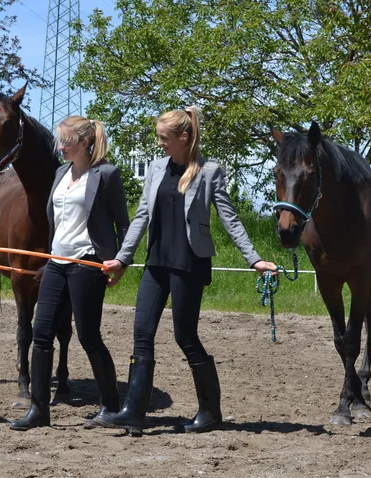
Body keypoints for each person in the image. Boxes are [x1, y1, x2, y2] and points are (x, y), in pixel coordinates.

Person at [99, 106, 277, 435]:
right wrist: (122, 259)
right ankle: (133, 412)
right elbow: (141, 216)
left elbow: (230, 219)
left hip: (189, 265)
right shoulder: (154, 168)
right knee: (141, 334)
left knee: (185, 336)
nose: (160, 144)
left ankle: (209, 411)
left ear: (184, 137)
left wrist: (255, 259)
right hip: (156, 263)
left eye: (164, 138)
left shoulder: (209, 172)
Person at [10, 116, 130, 430]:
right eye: (60, 141)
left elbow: (124, 224)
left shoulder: (106, 175)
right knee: (41, 332)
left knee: (89, 336)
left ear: (85, 143)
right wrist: (49, 261)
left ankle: (110, 404)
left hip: (88, 265)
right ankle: (39, 409)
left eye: (66, 141)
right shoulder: (61, 173)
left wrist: (121, 261)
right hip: (57, 263)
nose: (60, 147)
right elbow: (57, 222)